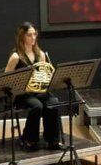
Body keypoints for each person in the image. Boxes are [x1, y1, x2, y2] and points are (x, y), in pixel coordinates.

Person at [4, 21, 62, 151]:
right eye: (29, 35)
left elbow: (44, 75)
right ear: (22, 36)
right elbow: (6, 80)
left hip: (37, 91)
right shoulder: (16, 57)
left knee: (53, 102)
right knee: (37, 106)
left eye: (35, 34)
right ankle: (29, 139)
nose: (33, 37)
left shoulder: (40, 54)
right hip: (22, 94)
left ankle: (52, 140)